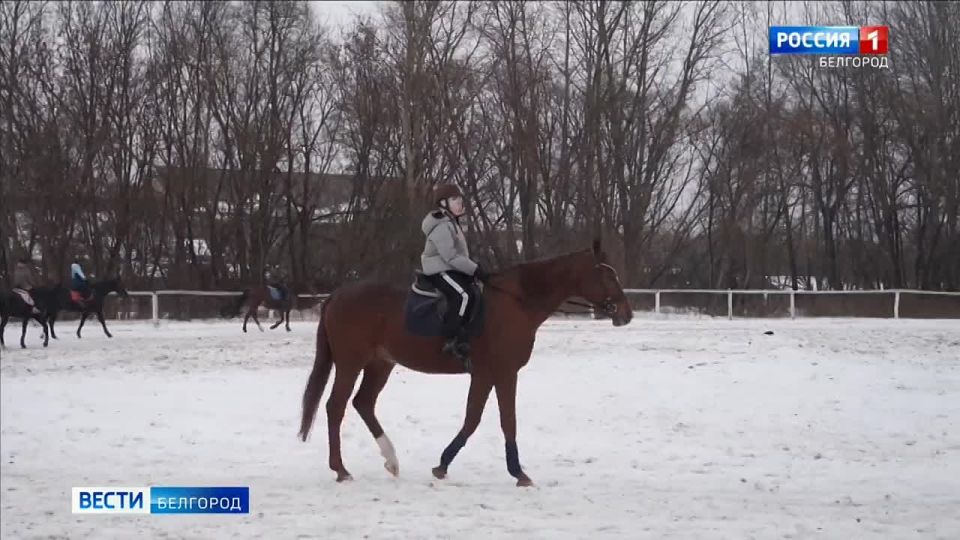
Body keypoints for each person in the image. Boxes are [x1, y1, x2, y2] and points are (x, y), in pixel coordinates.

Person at [420, 184, 490, 367]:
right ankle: (450, 338)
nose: (460, 204)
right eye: (454, 200)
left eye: (460, 200)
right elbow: (450, 256)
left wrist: (473, 269)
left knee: (474, 293)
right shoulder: (442, 226)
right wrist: (475, 269)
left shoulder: (452, 223)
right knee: (463, 295)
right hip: (438, 269)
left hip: (449, 268)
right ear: (443, 204)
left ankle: (467, 334)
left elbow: (459, 256)